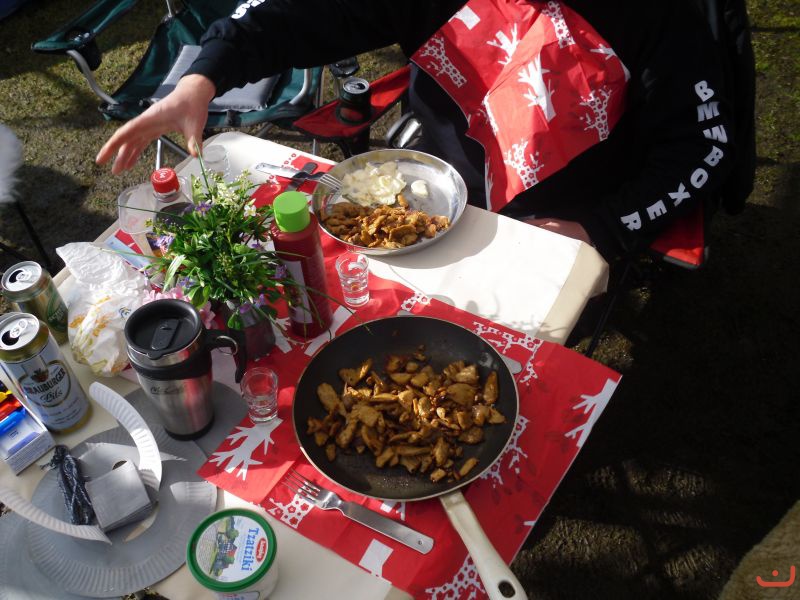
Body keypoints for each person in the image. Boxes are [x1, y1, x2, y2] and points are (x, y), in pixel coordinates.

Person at [96, 0, 734, 260]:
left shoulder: (657, 13)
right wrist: (202, 79)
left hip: (565, 219)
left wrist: (599, 227)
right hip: (441, 192)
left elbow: (703, 147)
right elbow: (298, 14)